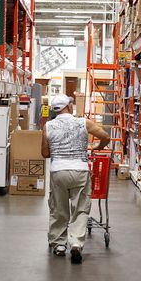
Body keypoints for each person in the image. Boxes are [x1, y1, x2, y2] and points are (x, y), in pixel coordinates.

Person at [41, 93, 110, 264]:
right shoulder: (83, 122)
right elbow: (105, 137)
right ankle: (76, 244)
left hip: (58, 172)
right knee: (80, 208)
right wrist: (97, 146)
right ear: (69, 107)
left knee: (58, 208)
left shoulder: (48, 126)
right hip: (80, 170)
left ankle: (59, 245)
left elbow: (44, 153)